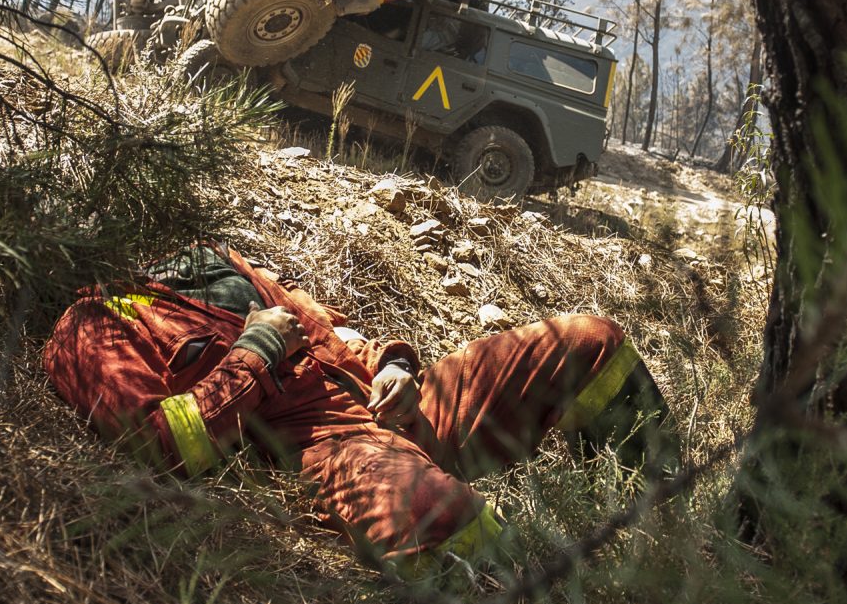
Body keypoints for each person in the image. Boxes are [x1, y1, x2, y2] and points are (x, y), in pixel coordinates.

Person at [42, 242, 674, 568]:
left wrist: (395, 366)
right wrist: (257, 351)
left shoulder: (210, 264)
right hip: (328, 446)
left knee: (591, 342)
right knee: (439, 514)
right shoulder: (89, 325)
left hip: (403, 407)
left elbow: (336, 333)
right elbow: (160, 445)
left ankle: (662, 518)